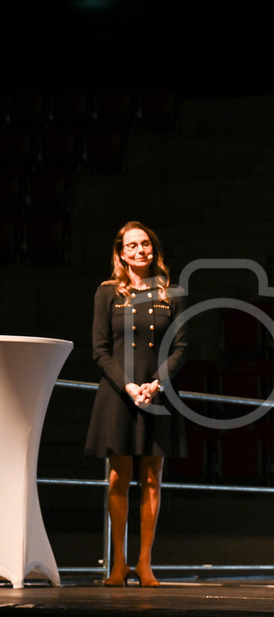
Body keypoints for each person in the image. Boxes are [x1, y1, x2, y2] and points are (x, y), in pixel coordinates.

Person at [84, 221, 188, 587]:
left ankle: (144, 564)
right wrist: (129, 386)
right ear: (121, 253)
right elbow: (99, 350)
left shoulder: (171, 293)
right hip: (119, 393)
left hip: (157, 392)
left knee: (152, 478)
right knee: (119, 476)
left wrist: (157, 383)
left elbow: (180, 347)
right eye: (132, 245)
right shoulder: (108, 292)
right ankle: (118, 564)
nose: (140, 250)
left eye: (145, 244)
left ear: (153, 249)